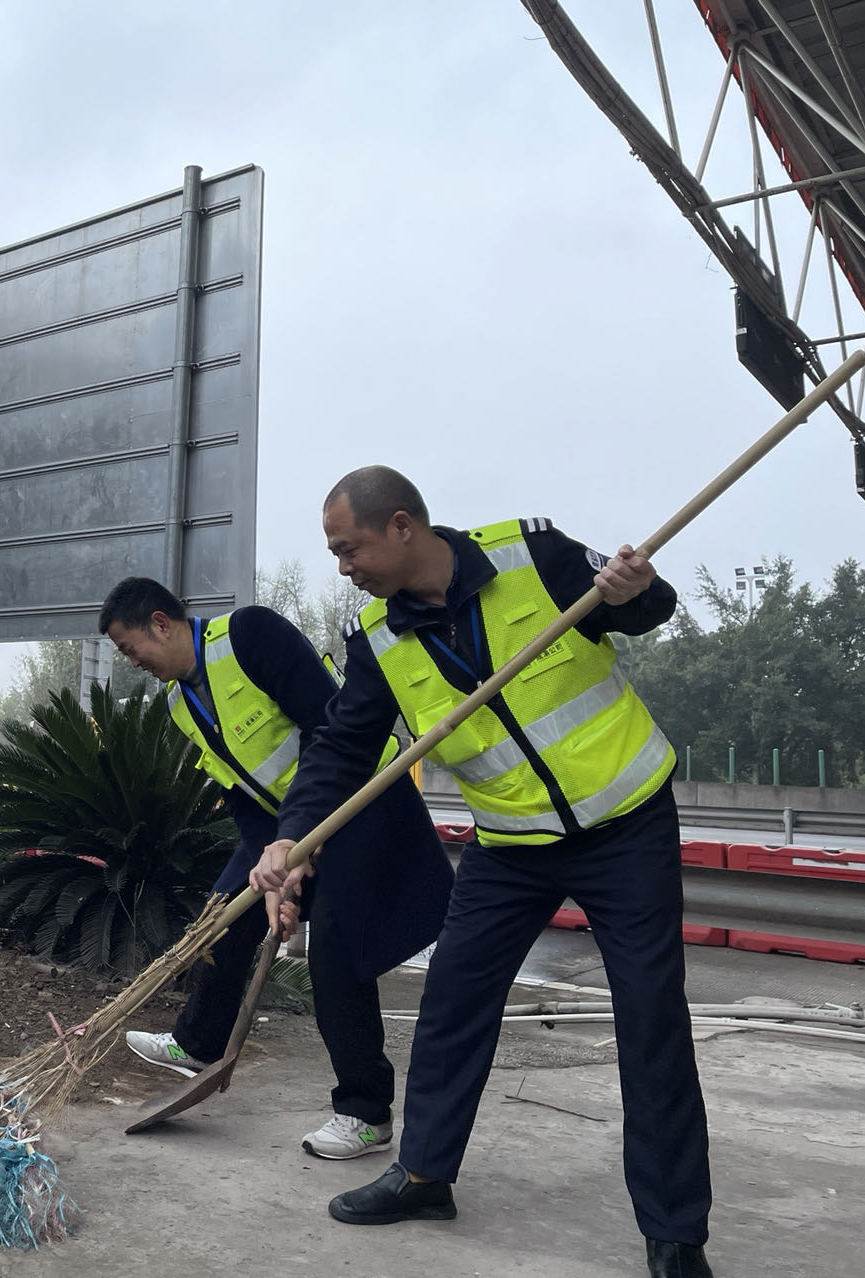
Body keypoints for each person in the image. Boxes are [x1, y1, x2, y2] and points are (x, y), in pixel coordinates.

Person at [253, 467, 712, 1278]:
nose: (343, 566)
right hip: (509, 848)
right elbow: (339, 750)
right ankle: (425, 1174)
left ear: (401, 526)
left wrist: (637, 589)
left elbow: (640, 612)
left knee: (650, 1021)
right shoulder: (379, 639)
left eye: (347, 548)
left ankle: (675, 1232)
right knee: (455, 999)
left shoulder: (532, 555)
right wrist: (292, 839)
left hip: (625, 825)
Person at [100, 576, 453, 1159]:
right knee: (222, 912)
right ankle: (198, 1042)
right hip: (282, 829)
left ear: (160, 623)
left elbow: (331, 730)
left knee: (337, 954)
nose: (132, 661)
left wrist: (299, 837)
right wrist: (277, 864)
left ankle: (365, 1113)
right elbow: (242, 796)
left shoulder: (249, 636)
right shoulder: (178, 703)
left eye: (129, 646)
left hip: (364, 801)